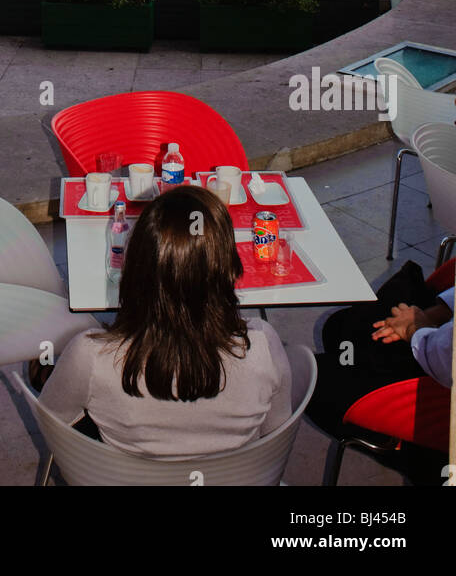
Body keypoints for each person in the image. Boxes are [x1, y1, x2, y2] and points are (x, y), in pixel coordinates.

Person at [39, 187, 292, 457]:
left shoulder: (89, 355)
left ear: (136, 267)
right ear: (227, 267)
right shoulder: (264, 344)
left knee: (45, 373)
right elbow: (275, 435)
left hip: (124, 478)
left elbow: (53, 424)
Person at [306, 259, 453, 485]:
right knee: (339, 329)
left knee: (312, 377)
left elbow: (445, 359)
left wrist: (415, 328)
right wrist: (431, 315)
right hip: (436, 339)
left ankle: (419, 456)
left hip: (439, 391)